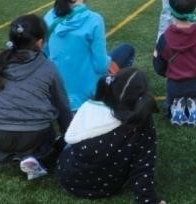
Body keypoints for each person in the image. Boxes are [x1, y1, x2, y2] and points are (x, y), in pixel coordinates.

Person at [58, 68, 165, 204]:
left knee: (67, 146)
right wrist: (147, 200)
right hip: (107, 186)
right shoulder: (140, 123)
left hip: (68, 177)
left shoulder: (88, 107)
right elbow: (143, 165)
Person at [0, 15, 71, 181]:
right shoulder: (48, 67)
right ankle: (33, 156)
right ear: (40, 42)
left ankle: (5, 155)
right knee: (50, 136)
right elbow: (62, 106)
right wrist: (68, 136)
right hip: (32, 135)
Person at [44, 0, 135, 111]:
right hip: (90, 96)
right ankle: (115, 92)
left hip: (60, 96)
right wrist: (109, 62)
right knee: (126, 50)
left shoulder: (49, 17)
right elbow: (100, 65)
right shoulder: (93, 20)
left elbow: (46, 55)